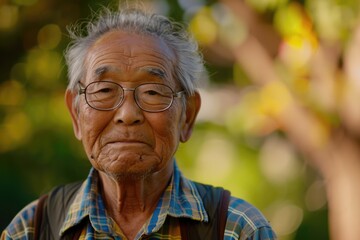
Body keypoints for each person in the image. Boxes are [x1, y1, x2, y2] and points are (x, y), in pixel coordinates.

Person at [1, 4, 276, 240]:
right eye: (105, 90)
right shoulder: (31, 230)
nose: (127, 113)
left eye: (152, 92)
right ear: (76, 113)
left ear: (187, 116)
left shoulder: (238, 229)